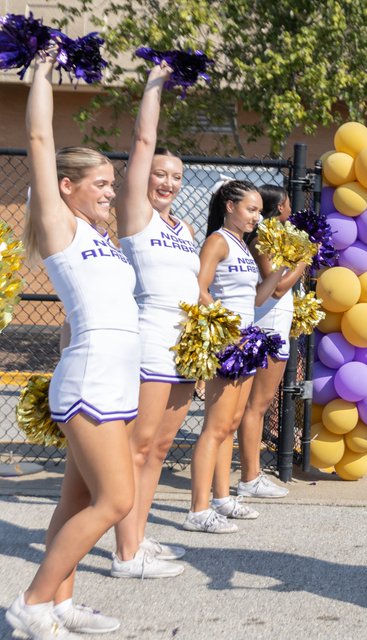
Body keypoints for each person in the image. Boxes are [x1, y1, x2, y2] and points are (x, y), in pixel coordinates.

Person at [7, 55, 138, 638]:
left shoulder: (100, 238)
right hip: (93, 380)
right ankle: (31, 602)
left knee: (77, 499)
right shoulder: (59, 225)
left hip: (109, 377)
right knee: (115, 501)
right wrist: (41, 72)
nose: (111, 191)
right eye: (101, 183)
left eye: (112, 182)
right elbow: (39, 137)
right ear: (67, 187)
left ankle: (61, 603)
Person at [109, 63, 191, 581]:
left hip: (186, 345)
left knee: (159, 448)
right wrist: (156, 82)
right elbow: (143, 140)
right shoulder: (135, 214)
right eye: (160, 173)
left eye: (176, 177)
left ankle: (137, 535)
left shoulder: (182, 228)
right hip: (151, 339)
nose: (167, 182)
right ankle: (125, 555)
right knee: (138, 447)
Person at [184, 180, 284, 534]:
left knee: (230, 425)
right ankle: (198, 510)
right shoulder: (218, 241)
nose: (257, 217)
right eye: (251, 209)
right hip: (228, 343)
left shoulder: (242, 244)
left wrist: (280, 271)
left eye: (259, 211)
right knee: (215, 427)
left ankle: (222, 498)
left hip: (247, 342)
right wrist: (227, 328)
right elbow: (198, 289)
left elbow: (255, 299)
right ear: (230, 206)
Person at [236, 184, 308, 500]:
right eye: (288, 202)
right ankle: (250, 477)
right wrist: (303, 261)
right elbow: (276, 287)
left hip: (276, 327)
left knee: (259, 406)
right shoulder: (262, 239)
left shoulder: (275, 237)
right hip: (266, 330)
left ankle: (252, 474)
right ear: (279, 207)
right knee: (256, 406)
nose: (291, 207)